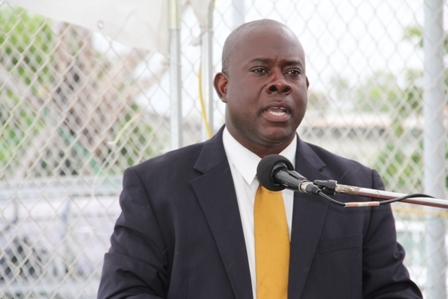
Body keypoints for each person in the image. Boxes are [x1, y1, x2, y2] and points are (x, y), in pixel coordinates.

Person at [97, 19, 422, 299]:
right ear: (223, 87)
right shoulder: (157, 187)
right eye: (260, 70)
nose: (280, 82)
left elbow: (391, 291)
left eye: (292, 72)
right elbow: (125, 291)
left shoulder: (356, 187)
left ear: (305, 87)